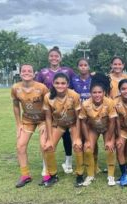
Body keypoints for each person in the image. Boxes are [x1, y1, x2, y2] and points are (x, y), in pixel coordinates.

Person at [36, 46, 76, 174]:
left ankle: (68, 163)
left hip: (64, 110)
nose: (54, 58)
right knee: (48, 137)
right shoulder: (42, 73)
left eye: (56, 56)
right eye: (51, 56)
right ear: (48, 58)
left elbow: (75, 84)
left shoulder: (68, 71)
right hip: (49, 109)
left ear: (60, 57)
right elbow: (37, 89)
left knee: (67, 136)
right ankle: (46, 165)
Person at [42, 73, 82, 187]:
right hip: (58, 125)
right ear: (53, 84)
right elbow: (48, 118)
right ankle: (53, 175)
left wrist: (78, 137)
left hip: (73, 124)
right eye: (57, 83)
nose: (60, 86)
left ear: (68, 84)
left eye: (63, 83)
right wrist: (49, 139)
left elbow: (78, 117)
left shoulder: (74, 95)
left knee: (77, 146)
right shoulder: (48, 97)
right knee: (48, 147)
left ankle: (79, 175)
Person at [11, 64, 49, 188]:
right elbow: (16, 106)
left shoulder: (42, 87)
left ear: (34, 74)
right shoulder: (16, 88)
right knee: (20, 146)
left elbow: (49, 105)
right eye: (24, 71)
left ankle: (47, 173)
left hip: (43, 120)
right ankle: (25, 175)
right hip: (27, 121)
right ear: (20, 73)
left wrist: (48, 124)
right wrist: (18, 124)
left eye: (29, 71)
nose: (26, 72)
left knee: (44, 145)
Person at [79, 74, 117, 187]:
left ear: (104, 93)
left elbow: (112, 122)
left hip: (107, 128)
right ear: (90, 93)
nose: (97, 95)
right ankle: (90, 175)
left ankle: (111, 175)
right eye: (94, 92)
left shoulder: (109, 102)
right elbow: (83, 123)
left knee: (110, 147)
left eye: (99, 92)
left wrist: (110, 139)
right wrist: (86, 140)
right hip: (93, 128)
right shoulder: (85, 104)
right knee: (88, 148)